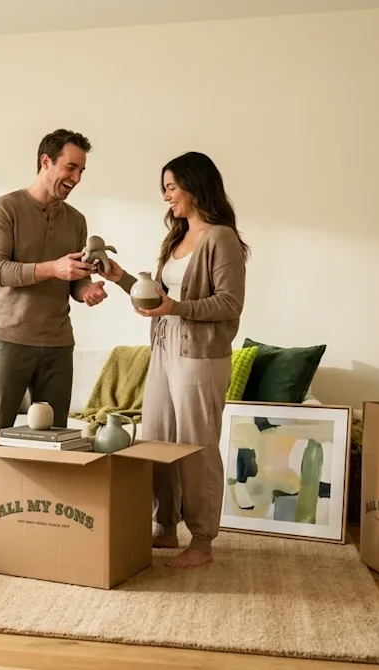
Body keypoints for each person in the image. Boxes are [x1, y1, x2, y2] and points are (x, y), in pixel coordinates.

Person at [0, 129, 117, 551]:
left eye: (82, 170)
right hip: (9, 339)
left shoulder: (77, 221)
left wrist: (87, 291)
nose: (76, 178)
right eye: (70, 167)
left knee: (56, 436)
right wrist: (52, 269)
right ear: (45, 161)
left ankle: (47, 520)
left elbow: (73, 282)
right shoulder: (5, 208)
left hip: (58, 342)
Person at [110, 151, 249, 568]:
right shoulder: (177, 238)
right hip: (166, 347)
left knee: (196, 446)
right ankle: (164, 525)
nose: (167, 197)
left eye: (172, 188)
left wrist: (176, 309)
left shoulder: (220, 238)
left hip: (200, 354)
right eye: (165, 189)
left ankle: (202, 541)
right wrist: (120, 278)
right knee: (155, 437)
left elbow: (229, 302)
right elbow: (160, 297)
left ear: (195, 185)